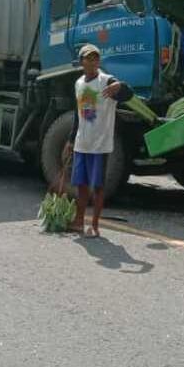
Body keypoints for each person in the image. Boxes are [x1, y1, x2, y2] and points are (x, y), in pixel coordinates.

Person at [63, 45, 133, 237]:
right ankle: (78, 222)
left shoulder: (106, 81)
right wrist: (70, 140)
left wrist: (121, 86)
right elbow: (79, 115)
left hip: (99, 145)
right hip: (81, 143)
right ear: (81, 62)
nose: (93, 62)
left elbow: (128, 93)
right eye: (88, 58)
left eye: (96, 58)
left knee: (98, 186)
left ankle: (94, 226)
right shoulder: (79, 84)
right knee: (81, 185)